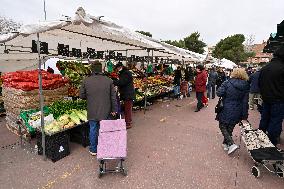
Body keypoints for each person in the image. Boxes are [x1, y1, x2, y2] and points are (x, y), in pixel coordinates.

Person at [79, 61, 117, 156]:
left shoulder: (86, 81)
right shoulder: (109, 80)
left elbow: (81, 96)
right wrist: (114, 110)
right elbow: (113, 97)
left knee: (93, 129)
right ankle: (104, 147)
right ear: (101, 69)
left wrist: (90, 96)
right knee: (104, 129)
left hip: (92, 110)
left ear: (92, 69)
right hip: (106, 110)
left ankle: (93, 149)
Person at [216, 68, 249, 155]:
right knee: (230, 127)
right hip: (238, 109)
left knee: (222, 125)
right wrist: (244, 115)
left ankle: (231, 144)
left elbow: (219, 93)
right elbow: (245, 101)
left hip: (226, 107)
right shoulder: (246, 85)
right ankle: (225, 144)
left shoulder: (227, 82)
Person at [258, 45, 284, 146]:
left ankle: (261, 137)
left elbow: (260, 83)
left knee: (264, 118)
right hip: (279, 100)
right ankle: (271, 142)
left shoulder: (265, 68)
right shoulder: (282, 67)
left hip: (266, 98)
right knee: (275, 121)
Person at [113, 62, 135, 129]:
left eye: (117, 68)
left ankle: (128, 123)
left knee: (127, 109)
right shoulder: (124, 73)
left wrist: (112, 82)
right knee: (127, 109)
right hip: (127, 93)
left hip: (128, 94)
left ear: (120, 67)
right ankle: (128, 121)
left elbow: (122, 82)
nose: (117, 70)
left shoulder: (126, 73)